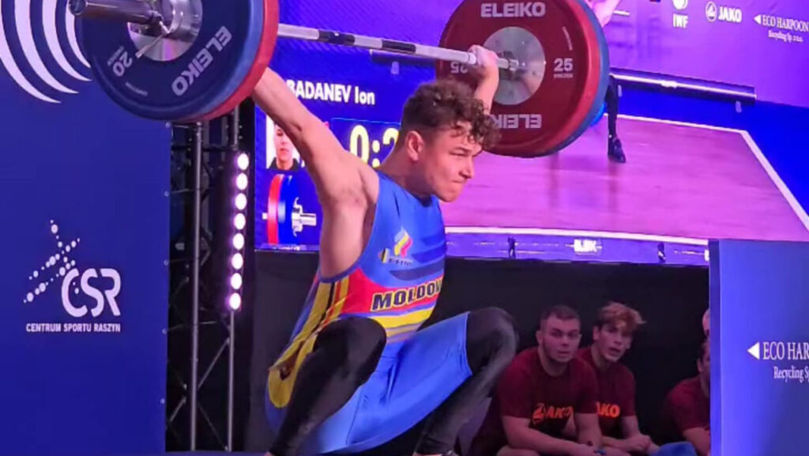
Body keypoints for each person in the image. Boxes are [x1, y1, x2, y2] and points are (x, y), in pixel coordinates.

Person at [251, 45, 518, 456]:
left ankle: (433, 451)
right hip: (313, 411)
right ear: (415, 146)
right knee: (363, 333)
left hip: (387, 399)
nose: (469, 170)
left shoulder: (430, 192)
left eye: (472, 156)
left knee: (496, 331)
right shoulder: (361, 197)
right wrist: (237, 49)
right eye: (459, 156)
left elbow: (468, 129)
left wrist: (491, 78)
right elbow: (299, 125)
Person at [469, 305, 613, 456]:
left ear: (579, 339)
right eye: (556, 334)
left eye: (572, 335)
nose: (565, 342)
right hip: (497, 448)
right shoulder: (520, 371)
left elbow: (588, 428)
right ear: (540, 337)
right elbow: (517, 437)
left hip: (549, 447)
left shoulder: (584, 373)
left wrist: (593, 450)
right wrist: (573, 448)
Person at [574, 302, 660, 455]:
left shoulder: (625, 377)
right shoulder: (575, 365)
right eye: (612, 331)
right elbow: (566, 426)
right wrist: (619, 444)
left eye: (625, 335)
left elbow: (633, 434)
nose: (618, 341)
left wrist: (664, 452)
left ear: (629, 343)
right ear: (596, 333)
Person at [659, 340, 710, 456]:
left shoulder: (740, 394)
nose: (720, 366)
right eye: (711, 359)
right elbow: (711, 451)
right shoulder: (682, 395)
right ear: (700, 365)